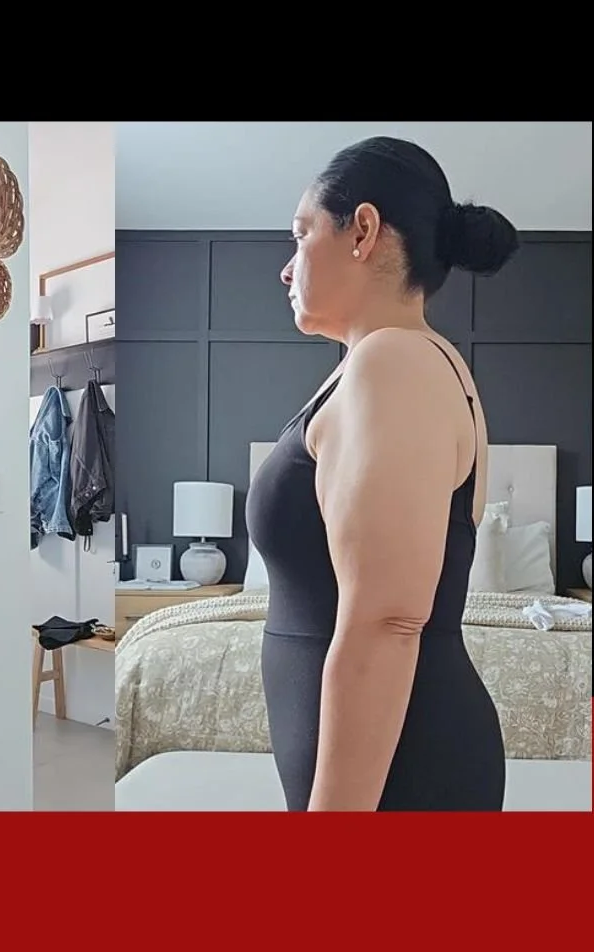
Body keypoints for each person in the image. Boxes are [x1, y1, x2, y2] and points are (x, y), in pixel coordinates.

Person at [244, 136, 521, 811]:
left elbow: (389, 620)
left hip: (403, 776)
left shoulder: (395, 363)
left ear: (362, 230)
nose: (286, 270)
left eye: (302, 233)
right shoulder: (381, 364)